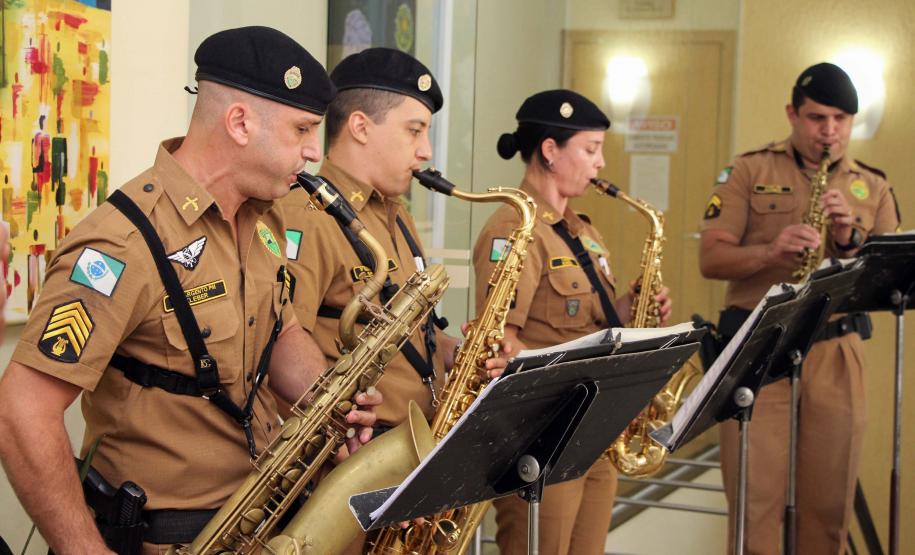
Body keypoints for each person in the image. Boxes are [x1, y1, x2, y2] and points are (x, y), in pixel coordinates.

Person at [0, 26, 382, 555]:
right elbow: (23, 410)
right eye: (302, 130)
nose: (314, 152)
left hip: (257, 521)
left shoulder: (263, 222)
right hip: (166, 538)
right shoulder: (123, 242)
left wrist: (329, 399)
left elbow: (284, 328)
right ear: (240, 123)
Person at [699, 62, 901, 554]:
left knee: (828, 509)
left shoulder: (872, 186)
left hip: (835, 353)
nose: (829, 131)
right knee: (755, 507)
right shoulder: (748, 170)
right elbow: (711, 258)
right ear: (792, 113)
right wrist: (770, 254)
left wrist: (851, 241)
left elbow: (893, 281)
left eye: (840, 119)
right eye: (816, 118)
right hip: (759, 351)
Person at [472, 89, 672, 555]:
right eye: (590, 149)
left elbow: (591, 323)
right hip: (543, 434)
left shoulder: (586, 231)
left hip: (592, 431)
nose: (601, 163)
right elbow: (500, 340)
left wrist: (632, 306)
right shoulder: (513, 230)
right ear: (549, 151)